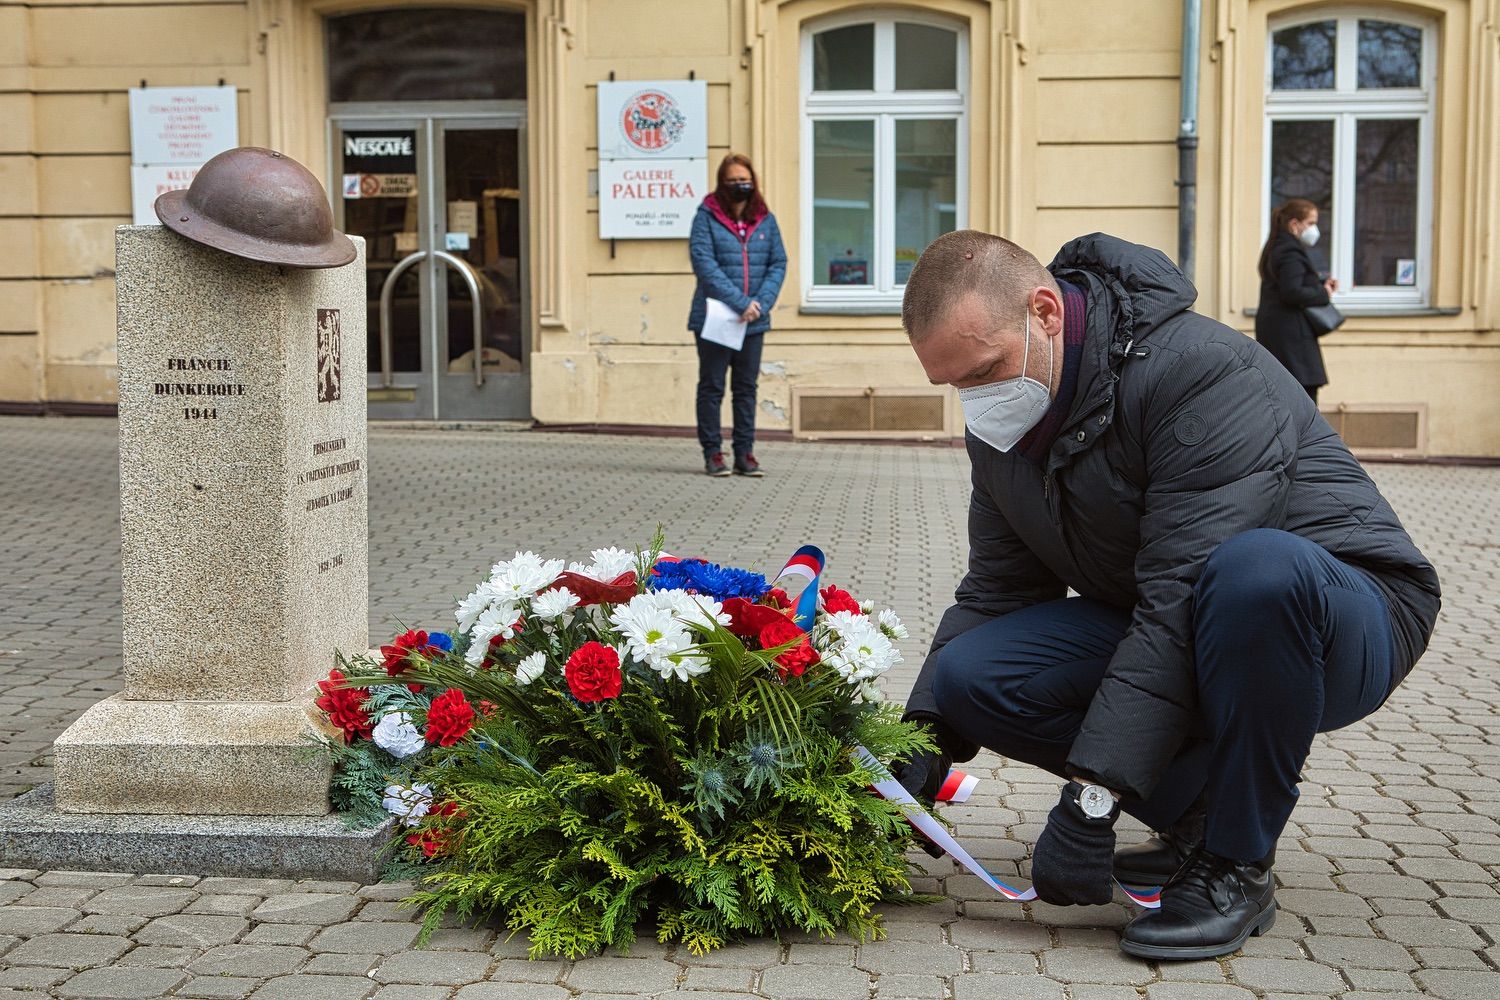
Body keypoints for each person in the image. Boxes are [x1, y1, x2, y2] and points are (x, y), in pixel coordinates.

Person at [893, 230, 1439, 961]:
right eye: (957, 384)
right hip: (1179, 611)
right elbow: (999, 592)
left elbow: (1182, 598)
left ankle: (1238, 866)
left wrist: (1092, 799)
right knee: (972, 676)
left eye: (987, 369)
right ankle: (1202, 818)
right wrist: (919, 745)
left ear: (1046, 313)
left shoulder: (1202, 373)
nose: (979, 399)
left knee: (1257, 573)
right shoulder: (1006, 423)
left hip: (1342, 615)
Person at [687, 154, 787, 477]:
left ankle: (745, 452)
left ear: (752, 182)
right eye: (732, 181)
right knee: (712, 386)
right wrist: (740, 301)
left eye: (743, 180)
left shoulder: (765, 219)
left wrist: (761, 303)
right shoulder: (706, 217)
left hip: (753, 321)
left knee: (746, 388)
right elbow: (703, 264)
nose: (738, 186)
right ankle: (713, 454)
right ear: (721, 183)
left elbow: (778, 263)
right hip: (716, 318)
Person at [1255, 198, 1339, 402]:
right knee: (1302, 404)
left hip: (1279, 335)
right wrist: (1323, 293)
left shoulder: (1277, 247)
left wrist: (1317, 282)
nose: (1314, 229)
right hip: (1292, 341)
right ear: (1294, 224)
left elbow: (1287, 283)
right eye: (1310, 223)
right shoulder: (1290, 251)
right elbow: (1291, 291)